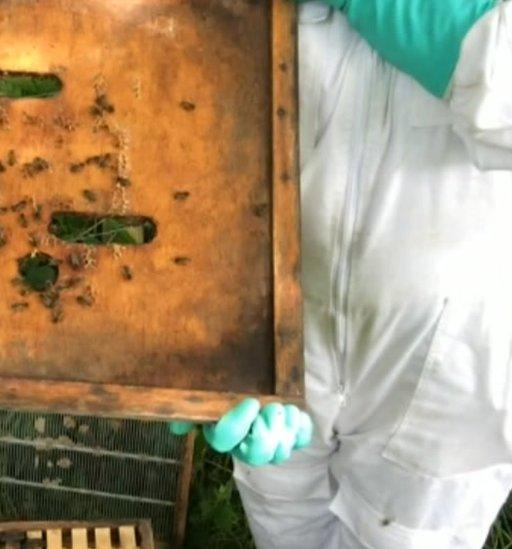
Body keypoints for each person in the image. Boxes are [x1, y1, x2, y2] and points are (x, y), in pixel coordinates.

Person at [170, 0, 512, 547]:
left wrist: (463, 31)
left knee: (409, 532)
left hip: (445, 369)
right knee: (281, 514)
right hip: (282, 338)